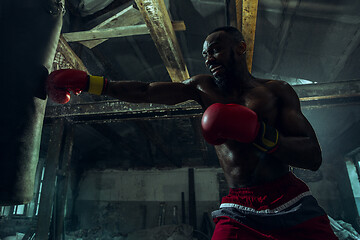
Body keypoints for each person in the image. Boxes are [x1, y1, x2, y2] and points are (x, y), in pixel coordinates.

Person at [46, 26, 338, 239]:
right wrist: (92, 83)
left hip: (289, 199)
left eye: (215, 49)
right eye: (204, 54)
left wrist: (260, 133)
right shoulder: (203, 87)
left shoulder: (278, 91)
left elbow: (312, 157)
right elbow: (147, 90)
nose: (209, 58)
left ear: (240, 47)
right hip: (239, 206)